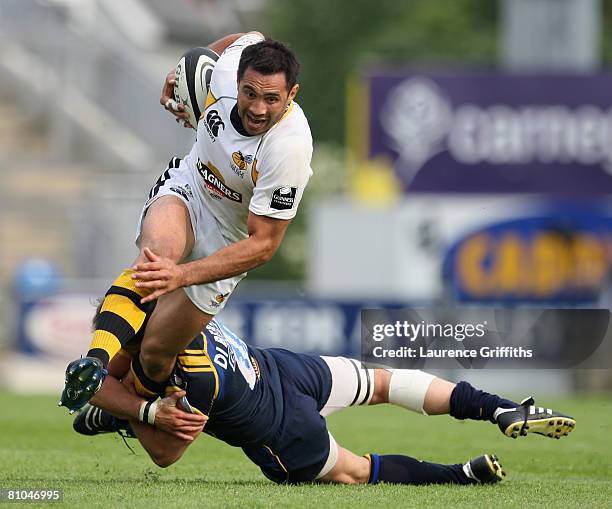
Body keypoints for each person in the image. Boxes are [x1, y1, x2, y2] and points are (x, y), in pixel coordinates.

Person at [59, 31, 313, 412]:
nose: (258, 108)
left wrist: (182, 276)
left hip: (232, 238)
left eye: (272, 99)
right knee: (155, 259)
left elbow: (263, 245)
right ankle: (94, 363)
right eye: (250, 93)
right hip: (190, 188)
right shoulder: (226, 69)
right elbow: (244, 37)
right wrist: (178, 75)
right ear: (238, 79)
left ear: (291, 95)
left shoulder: (288, 150)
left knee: (158, 352)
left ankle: (127, 413)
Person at [73, 317, 576, 486]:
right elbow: (107, 369)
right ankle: (500, 407)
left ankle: (459, 477)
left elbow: (167, 453)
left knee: (356, 472)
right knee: (388, 382)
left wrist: (140, 409)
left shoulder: (187, 380)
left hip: (281, 431)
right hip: (288, 368)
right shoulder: (186, 307)